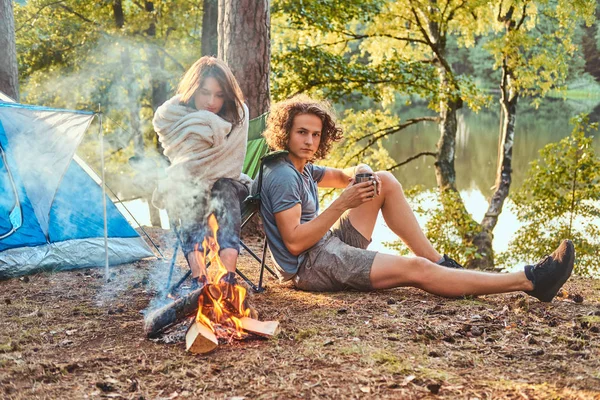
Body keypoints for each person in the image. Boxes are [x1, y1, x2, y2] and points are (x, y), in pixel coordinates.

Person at [253, 95, 574, 302]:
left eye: (315, 134)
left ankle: (441, 264)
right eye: (301, 133)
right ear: (286, 133)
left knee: (384, 181)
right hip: (312, 266)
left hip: (325, 245)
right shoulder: (283, 176)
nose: (310, 141)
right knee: (414, 269)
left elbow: (343, 175)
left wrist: (362, 170)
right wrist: (342, 203)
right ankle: (531, 280)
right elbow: (294, 244)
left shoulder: (302, 165)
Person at [153, 56, 249, 288]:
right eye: (205, 92)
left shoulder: (238, 115)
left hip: (230, 186)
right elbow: (185, 165)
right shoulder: (172, 115)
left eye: (219, 95)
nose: (211, 102)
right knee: (184, 188)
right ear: (193, 89)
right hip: (188, 184)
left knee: (223, 186)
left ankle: (228, 276)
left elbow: (231, 164)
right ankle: (200, 278)